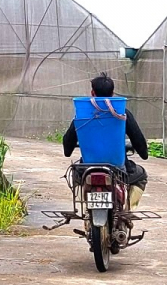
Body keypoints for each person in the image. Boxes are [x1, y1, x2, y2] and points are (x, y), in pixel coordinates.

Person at [62, 73, 150, 204]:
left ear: (92, 92)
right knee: (141, 176)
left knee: (76, 176)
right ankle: (127, 211)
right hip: (119, 168)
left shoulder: (82, 114)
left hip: (87, 168)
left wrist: (69, 149)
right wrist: (143, 153)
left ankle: (86, 211)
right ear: (113, 94)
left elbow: (67, 145)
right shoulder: (122, 113)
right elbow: (138, 141)